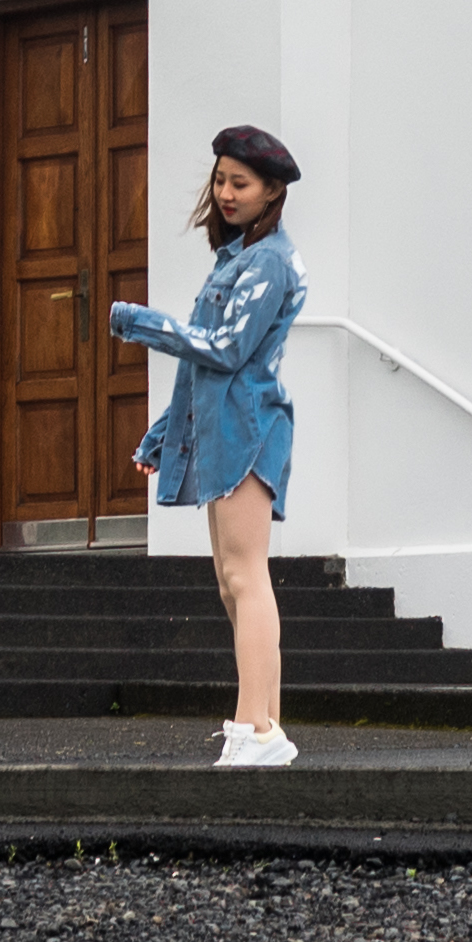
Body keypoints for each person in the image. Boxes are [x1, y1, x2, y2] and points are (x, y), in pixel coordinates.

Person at [115, 125, 306, 769]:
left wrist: (141, 323)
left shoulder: (271, 263)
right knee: (232, 582)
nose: (225, 193)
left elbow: (226, 352)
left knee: (245, 576)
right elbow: (203, 364)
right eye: (220, 179)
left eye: (240, 183)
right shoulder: (235, 261)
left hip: (249, 427)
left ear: (271, 191)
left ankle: (256, 730)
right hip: (222, 425)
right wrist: (165, 431)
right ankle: (265, 727)